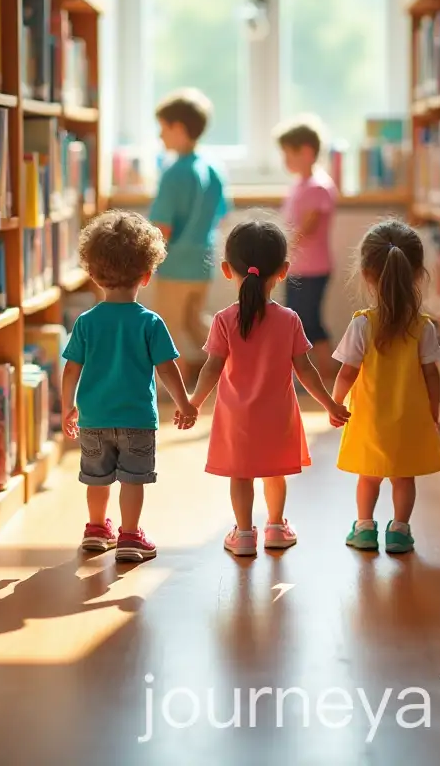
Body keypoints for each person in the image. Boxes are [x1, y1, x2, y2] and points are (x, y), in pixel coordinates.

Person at [187, 219, 350, 557]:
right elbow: (306, 371)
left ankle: (244, 534)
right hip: (278, 417)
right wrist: (330, 404)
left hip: (237, 418)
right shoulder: (289, 319)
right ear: (284, 270)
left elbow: (211, 368)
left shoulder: (223, 320)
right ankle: (276, 526)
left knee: (241, 475)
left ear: (227, 270)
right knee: (274, 473)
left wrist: (193, 402)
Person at [61, 210, 197, 563]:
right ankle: (130, 535)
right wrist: (184, 404)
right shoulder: (150, 323)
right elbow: (167, 369)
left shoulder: (86, 322)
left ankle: (95, 528)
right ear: (147, 274)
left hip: (93, 419)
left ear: (92, 274)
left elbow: (70, 369)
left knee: (96, 478)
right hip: (137, 419)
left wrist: (67, 407)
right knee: (132, 480)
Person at [330, 220, 440, 554]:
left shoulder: (363, 323)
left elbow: (347, 373)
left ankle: (365, 529)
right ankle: (400, 531)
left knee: (369, 476)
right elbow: (432, 376)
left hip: (369, 419)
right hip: (409, 419)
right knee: (403, 477)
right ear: (417, 273)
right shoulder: (423, 326)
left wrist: (336, 403)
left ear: (367, 274)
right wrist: (433, 414)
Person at [149, 88, 228, 389]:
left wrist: (147, 259)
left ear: (178, 129)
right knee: (196, 322)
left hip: (175, 266)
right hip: (202, 262)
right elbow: (221, 214)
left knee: (166, 329)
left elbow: (161, 227)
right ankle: (234, 366)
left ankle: (175, 389)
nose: (160, 136)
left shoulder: (174, 173)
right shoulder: (213, 169)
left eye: (163, 128)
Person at [276, 116, 337, 384]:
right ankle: (301, 376)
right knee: (295, 321)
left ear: (307, 152)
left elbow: (306, 228)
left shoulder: (318, 187)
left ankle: (327, 373)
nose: (285, 160)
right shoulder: (300, 185)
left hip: (313, 269)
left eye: (288, 153)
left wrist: (281, 245)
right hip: (298, 267)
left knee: (309, 322)